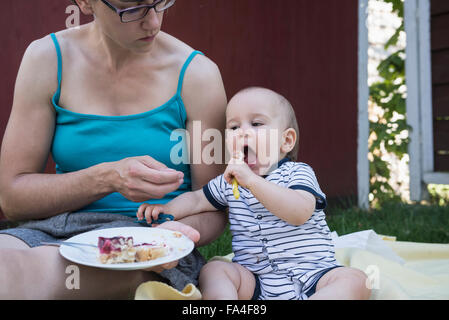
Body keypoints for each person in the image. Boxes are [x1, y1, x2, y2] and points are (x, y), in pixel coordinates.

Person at [0, 0, 228, 299]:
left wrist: (167, 237)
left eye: (160, 2)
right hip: (53, 231)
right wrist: (107, 177)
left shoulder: (198, 75)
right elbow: (12, 198)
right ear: (84, 3)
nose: (154, 22)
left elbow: (214, 202)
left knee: (23, 275)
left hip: (149, 244)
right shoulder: (47, 59)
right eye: (130, 8)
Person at [138, 87, 371, 300]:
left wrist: (252, 182)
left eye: (257, 124)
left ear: (286, 141)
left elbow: (299, 212)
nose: (243, 133)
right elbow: (198, 199)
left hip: (313, 276)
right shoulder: (230, 182)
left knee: (355, 280)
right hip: (256, 281)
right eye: (234, 127)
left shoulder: (297, 173)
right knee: (215, 269)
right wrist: (168, 209)